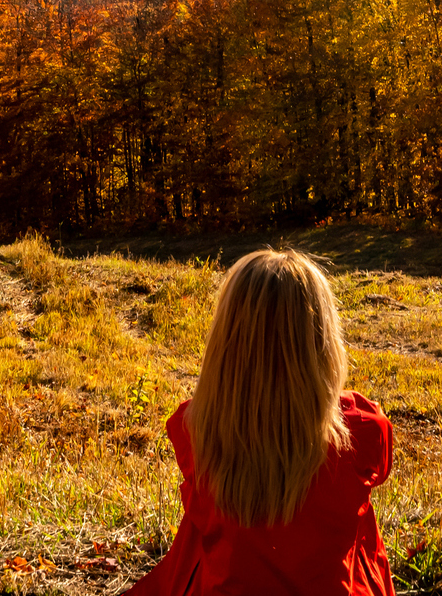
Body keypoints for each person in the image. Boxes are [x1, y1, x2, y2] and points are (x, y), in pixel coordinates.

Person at [129, 249, 397, 596]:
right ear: (322, 343)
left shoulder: (194, 430)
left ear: (226, 344)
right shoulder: (363, 429)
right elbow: (381, 465)